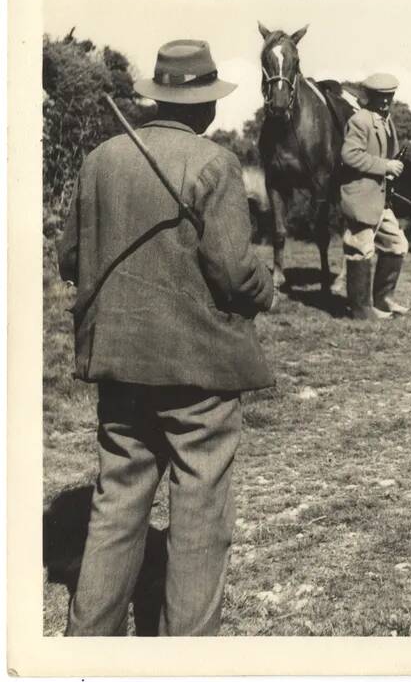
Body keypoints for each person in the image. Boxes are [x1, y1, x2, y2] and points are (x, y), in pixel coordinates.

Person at [56, 39, 274, 636]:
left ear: (157, 96)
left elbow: (69, 257)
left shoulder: (101, 158)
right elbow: (231, 273)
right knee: (200, 511)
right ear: (205, 106)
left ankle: (85, 652)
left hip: (118, 360)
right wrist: (266, 285)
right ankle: (186, 661)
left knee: (117, 502)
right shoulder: (215, 164)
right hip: (197, 371)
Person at [339, 73, 411, 319]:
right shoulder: (360, 120)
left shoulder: (385, 119)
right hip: (361, 198)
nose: (385, 102)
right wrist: (386, 166)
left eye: (389, 97)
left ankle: (383, 300)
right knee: (360, 249)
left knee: (396, 244)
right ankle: (361, 310)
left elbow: (386, 154)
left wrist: (392, 166)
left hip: (380, 199)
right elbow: (349, 155)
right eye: (380, 97)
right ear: (369, 96)